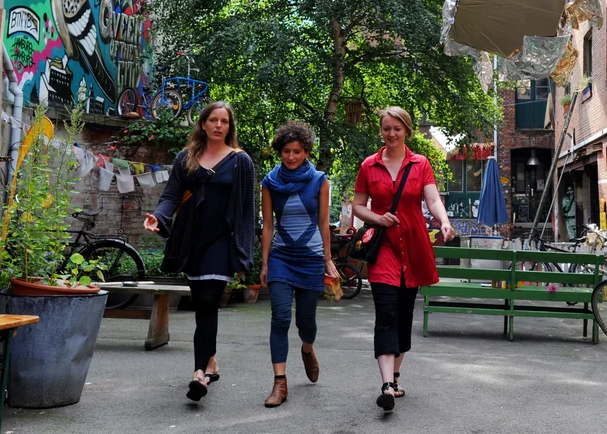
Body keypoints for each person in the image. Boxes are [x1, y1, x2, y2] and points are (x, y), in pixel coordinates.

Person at [143, 101, 255, 403]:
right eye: (213, 120)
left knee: (207, 302)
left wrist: (244, 250)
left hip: (223, 241)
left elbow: (247, 210)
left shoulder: (241, 161)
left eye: (224, 121)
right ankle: (211, 362)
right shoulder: (186, 158)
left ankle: (199, 374)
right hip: (192, 241)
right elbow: (171, 196)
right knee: (201, 305)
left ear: (229, 127)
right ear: (203, 124)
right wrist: (158, 218)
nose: (218, 125)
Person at [352, 106, 455, 412]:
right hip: (383, 247)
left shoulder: (420, 164)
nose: (392, 134)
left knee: (404, 314)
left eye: (397, 128)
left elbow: (432, 198)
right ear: (381, 131)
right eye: (387, 128)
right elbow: (358, 205)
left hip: (412, 247)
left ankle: (395, 377)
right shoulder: (369, 165)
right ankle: (386, 385)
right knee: (386, 313)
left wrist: (444, 221)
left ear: (407, 130)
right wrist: (377, 218)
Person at [259, 121, 339, 407]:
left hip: (311, 258)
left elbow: (323, 223)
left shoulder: (319, 180)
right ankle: (280, 383)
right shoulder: (270, 182)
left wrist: (327, 259)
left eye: (297, 151)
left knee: (306, 322)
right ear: (280, 152)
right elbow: (268, 225)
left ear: (306, 152)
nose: (291, 157)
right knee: (280, 317)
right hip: (281, 257)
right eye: (286, 151)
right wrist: (265, 263)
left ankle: (307, 348)